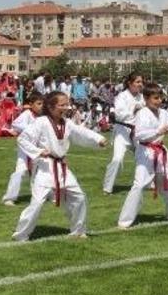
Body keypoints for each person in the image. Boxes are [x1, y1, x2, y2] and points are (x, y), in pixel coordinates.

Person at [12, 91, 107, 241]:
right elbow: (22, 139)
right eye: (62, 105)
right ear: (50, 107)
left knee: (79, 197)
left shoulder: (66, 123)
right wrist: (38, 151)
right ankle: (21, 234)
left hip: (61, 166)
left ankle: (78, 230)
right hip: (45, 167)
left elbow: (80, 132)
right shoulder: (42, 122)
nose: (66, 107)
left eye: (67, 104)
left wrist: (98, 139)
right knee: (36, 203)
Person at [117, 83, 168, 228]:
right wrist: (158, 132)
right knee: (139, 185)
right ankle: (124, 221)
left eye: (160, 98)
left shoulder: (165, 114)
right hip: (145, 153)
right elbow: (140, 135)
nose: (159, 101)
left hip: (161, 152)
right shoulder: (142, 113)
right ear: (146, 99)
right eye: (155, 98)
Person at [103, 72, 145, 194]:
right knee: (117, 159)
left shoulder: (141, 97)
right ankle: (107, 187)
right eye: (137, 82)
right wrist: (134, 109)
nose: (140, 84)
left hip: (138, 132)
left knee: (144, 158)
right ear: (129, 83)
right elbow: (119, 115)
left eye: (141, 82)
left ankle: (146, 183)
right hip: (122, 132)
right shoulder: (121, 96)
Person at [2, 91, 44, 206]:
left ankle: (42, 194)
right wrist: (31, 128)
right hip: (24, 149)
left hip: (37, 148)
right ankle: (9, 197)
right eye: (39, 104)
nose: (41, 106)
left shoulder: (42, 117)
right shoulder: (27, 114)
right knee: (20, 171)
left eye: (42, 104)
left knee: (40, 171)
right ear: (31, 104)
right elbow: (15, 124)